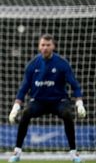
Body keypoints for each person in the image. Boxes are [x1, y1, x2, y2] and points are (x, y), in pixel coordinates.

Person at [7, 34, 86, 163]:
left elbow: (75, 85)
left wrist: (80, 104)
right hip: (38, 101)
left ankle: (74, 153)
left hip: (58, 101)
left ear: (53, 46)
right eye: (43, 45)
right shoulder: (32, 64)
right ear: (39, 46)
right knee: (26, 113)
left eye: (48, 45)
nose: (45, 48)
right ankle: (17, 152)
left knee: (67, 114)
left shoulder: (62, 64)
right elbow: (23, 88)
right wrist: (15, 108)